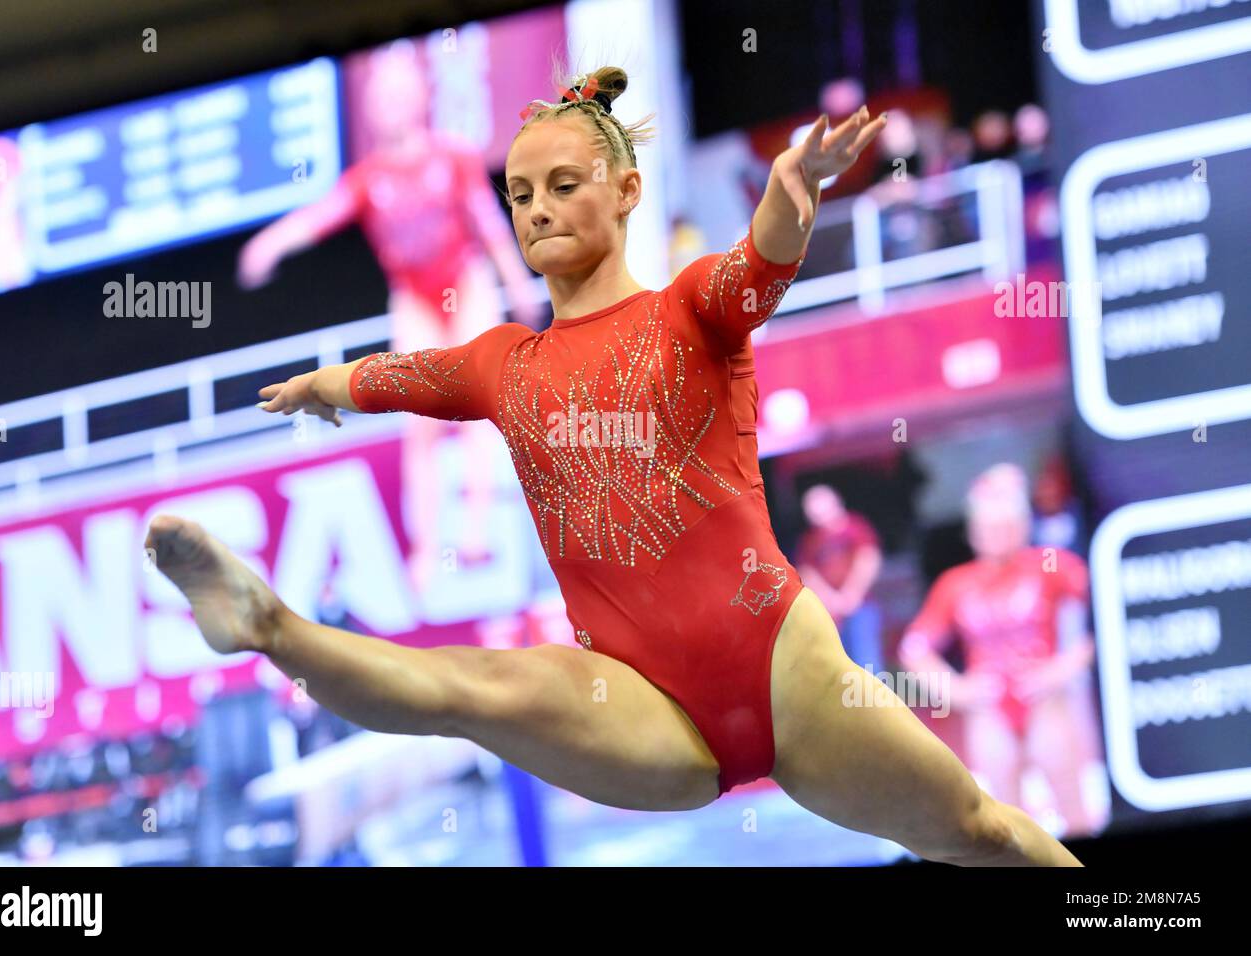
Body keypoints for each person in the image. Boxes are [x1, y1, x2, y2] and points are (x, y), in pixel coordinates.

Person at [147, 65, 1082, 865]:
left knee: (980, 832)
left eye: (562, 184)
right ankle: (268, 625)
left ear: (626, 189)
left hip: (784, 671)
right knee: (470, 691)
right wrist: (323, 385)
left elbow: (760, 261)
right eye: (519, 195)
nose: (537, 210)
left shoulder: (690, 309)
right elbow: (399, 376)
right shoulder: (501, 363)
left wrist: (794, 186)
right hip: (635, 700)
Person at [236, 40, 541, 591]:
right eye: (380, 96)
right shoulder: (368, 178)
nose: (389, 105)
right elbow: (318, 216)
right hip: (413, 296)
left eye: (399, 93)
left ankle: (475, 531)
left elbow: (488, 226)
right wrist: (270, 244)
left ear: (420, 98)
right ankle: (427, 546)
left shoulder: (452, 156)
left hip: (464, 282)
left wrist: (517, 283)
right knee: (420, 421)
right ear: (372, 107)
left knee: (481, 398)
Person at [899, 464, 1106, 837]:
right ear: (974, 534)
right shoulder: (955, 584)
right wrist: (957, 690)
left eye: (1006, 526)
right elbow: (914, 649)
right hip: (990, 710)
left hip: (1045, 703)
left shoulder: (1051, 565)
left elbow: (1105, 616)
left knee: (1073, 810)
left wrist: (1065, 667)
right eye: (989, 528)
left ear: (1023, 527)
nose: (997, 536)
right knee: (1008, 824)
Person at [794, 485, 884, 675]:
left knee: (868, 661)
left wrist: (852, 594)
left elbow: (868, 560)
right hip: (831, 613)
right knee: (841, 666)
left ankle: (876, 703)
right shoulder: (810, 540)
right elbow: (807, 573)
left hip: (861, 606)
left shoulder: (856, 527)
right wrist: (832, 599)